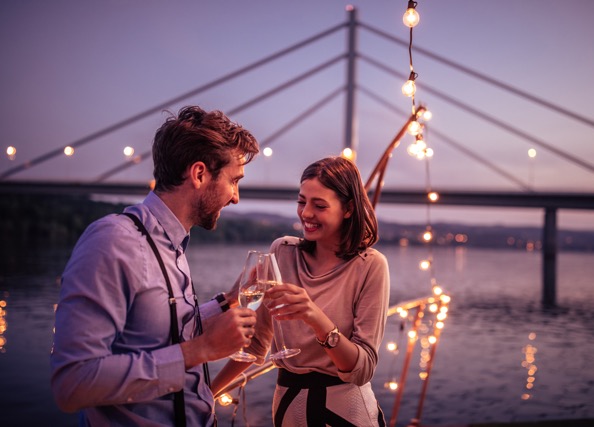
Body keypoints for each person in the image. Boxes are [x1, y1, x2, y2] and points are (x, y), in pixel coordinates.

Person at [50, 105, 260, 426]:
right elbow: (73, 384)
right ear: (200, 174)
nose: (236, 198)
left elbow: (157, 331)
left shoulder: (171, 243)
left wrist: (226, 301)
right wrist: (199, 350)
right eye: (234, 181)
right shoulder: (115, 241)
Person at [211, 156, 390, 426]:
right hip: (287, 408)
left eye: (319, 205)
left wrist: (314, 316)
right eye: (301, 201)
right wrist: (206, 394)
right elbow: (257, 345)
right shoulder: (282, 252)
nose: (306, 213)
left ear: (348, 208)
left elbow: (361, 370)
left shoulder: (371, 265)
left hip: (346, 413)